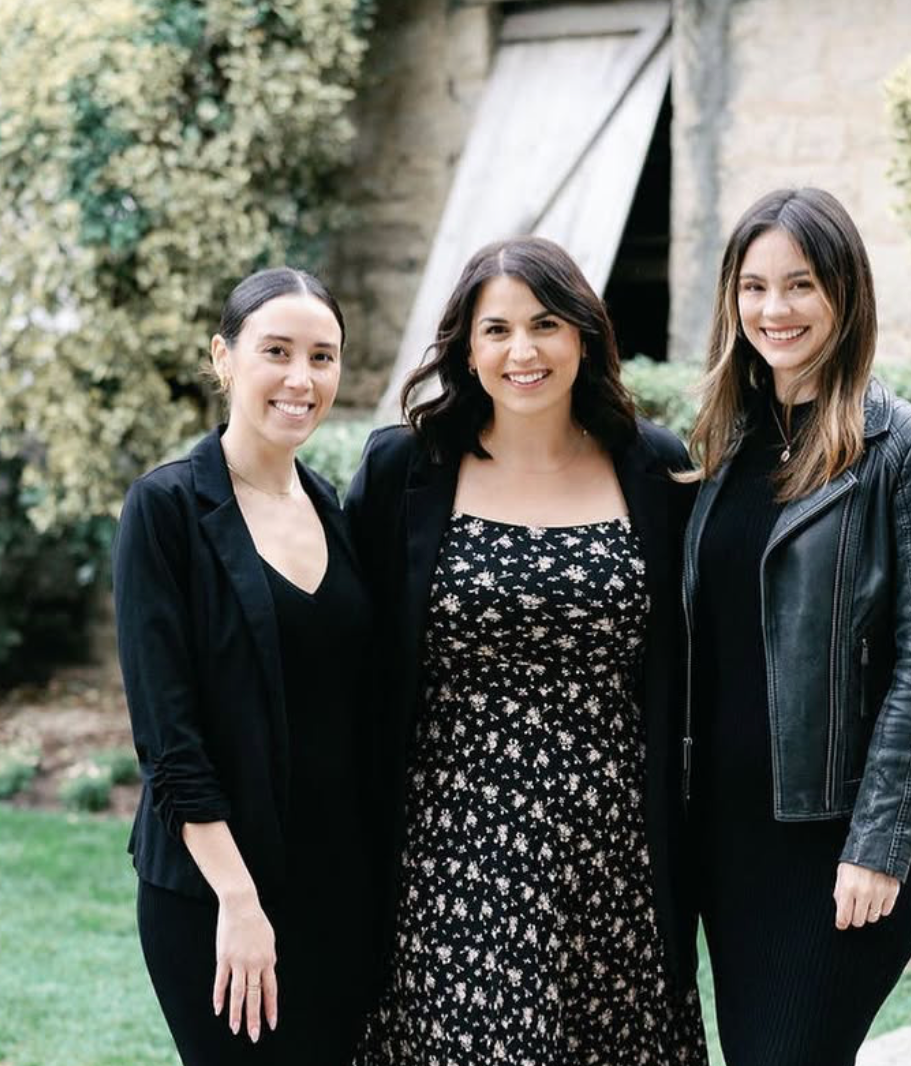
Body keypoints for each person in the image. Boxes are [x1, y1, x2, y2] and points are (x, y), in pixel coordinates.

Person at [345, 236, 708, 1065]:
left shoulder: (655, 469)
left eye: (545, 324)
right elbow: (346, 653)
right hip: (451, 855)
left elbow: (696, 658)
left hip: (616, 858)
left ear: (583, 333)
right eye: (497, 329)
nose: (523, 351)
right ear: (467, 350)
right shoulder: (405, 469)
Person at [683, 188, 911, 1065]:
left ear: (845, 293)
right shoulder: (720, 444)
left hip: (842, 840)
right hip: (730, 841)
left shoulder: (906, 451)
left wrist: (879, 847)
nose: (775, 310)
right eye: (755, 286)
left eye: (801, 285)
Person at [112, 267, 376, 1065]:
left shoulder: (332, 503)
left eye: (323, 357)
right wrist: (239, 900)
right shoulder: (165, 510)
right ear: (224, 358)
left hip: (337, 892)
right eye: (278, 352)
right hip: (217, 897)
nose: (302, 379)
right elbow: (169, 741)